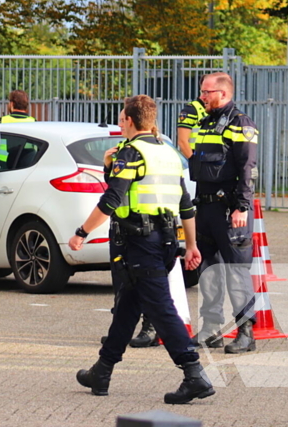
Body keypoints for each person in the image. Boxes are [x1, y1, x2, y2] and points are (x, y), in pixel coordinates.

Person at [71, 95, 213, 405]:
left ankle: (194, 374)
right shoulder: (168, 153)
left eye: (122, 118)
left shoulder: (132, 153)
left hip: (139, 242)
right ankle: (102, 371)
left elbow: (112, 199)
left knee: (161, 308)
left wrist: (82, 232)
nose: (120, 123)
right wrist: (191, 245)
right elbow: (186, 206)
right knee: (127, 307)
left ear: (131, 120)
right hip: (164, 241)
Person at [188, 72, 258, 354]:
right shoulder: (204, 123)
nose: (202, 97)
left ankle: (246, 332)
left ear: (223, 94)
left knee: (236, 272)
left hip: (230, 209)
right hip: (205, 207)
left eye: (207, 92)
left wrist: (242, 206)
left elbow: (247, 167)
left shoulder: (240, 123)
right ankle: (211, 328)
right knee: (209, 272)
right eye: (202, 92)